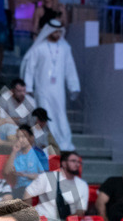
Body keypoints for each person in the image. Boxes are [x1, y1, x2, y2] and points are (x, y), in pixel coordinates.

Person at [20, 19, 80, 152]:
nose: (57, 34)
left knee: (59, 114)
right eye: (55, 31)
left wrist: (73, 86)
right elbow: (30, 68)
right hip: (42, 89)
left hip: (58, 90)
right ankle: (45, 141)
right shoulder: (39, 47)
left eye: (60, 31)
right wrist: (28, 87)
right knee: (44, 114)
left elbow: (70, 68)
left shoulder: (65, 48)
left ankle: (63, 141)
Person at [23, 150, 88, 221]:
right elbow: (28, 193)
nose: (77, 164)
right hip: (45, 218)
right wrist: (28, 214)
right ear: (64, 163)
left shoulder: (82, 185)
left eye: (79, 162)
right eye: (73, 161)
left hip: (68, 219)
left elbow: (81, 210)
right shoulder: (47, 177)